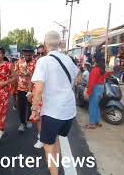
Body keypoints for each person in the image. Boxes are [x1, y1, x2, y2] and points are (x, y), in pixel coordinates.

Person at [30, 31, 80, 175]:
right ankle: (55, 167)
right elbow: (79, 79)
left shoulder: (43, 61)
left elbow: (38, 90)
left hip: (53, 111)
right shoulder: (68, 59)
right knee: (55, 138)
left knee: (48, 146)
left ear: (46, 45)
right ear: (59, 44)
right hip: (69, 111)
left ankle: (54, 172)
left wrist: (34, 109)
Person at [15, 45, 37, 132]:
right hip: (21, 88)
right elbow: (15, 72)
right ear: (23, 53)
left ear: (32, 53)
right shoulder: (19, 62)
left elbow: (38, 75)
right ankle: (22, 123)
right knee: (21, 106)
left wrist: (31, 75)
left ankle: (28, 120)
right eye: (26, 53)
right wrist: (21, 74)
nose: (27, 55)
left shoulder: (36, 63)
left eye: (29, 54)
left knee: (30, 105)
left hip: (32, 88)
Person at [85, 54, 108, 129]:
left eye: (93, 58)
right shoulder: (103, 70)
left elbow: (92, 83)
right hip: (101, 88)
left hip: (95, 88)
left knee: (92, 106)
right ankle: (97, 122)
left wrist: (88, 93)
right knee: (97, 106)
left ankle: (92, 124)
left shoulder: (95, 70)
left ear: (95, 60)